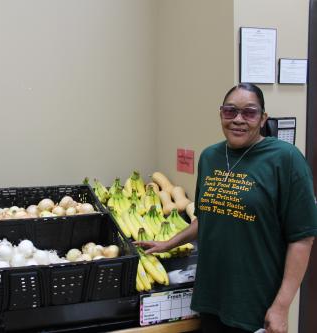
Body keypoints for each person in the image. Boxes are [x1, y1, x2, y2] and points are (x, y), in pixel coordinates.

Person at [135, 83, 317, 333]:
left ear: (263, 118)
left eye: (249, 112)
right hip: (212, 297)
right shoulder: (210, 157)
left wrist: (281, 306)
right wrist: (168, 244)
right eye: (230, 111)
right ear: (221, 114)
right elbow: (205, 218)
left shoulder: (286, 159)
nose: (238, 119)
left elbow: (302, 238)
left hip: (255, 304)